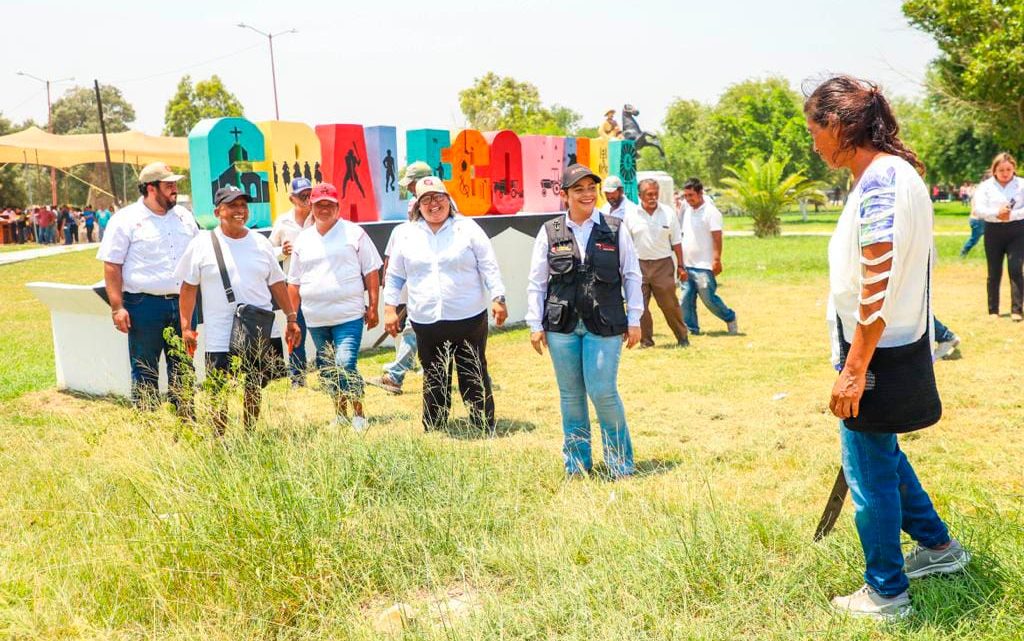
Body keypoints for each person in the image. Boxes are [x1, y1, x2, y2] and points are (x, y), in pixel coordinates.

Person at [806, 75, 970, 619]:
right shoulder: (890, 176)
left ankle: (886, 592)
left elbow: (877, 285)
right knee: (881, 453)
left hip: (875, 354)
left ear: (838, 125)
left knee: (868, 472)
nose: (814, 144)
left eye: (815, 131)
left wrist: (853, 370)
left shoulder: (879, 182)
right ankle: (939, 548)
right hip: (895, 346)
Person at [526, 164, 643, 478]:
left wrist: (635, 318)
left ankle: (620, 464)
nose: (587, 194)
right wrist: (534, 324)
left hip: (604, 323)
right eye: (579, 189)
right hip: (561, 325)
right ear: (564, 195)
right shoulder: (550, 231)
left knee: (603, 391)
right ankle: (577, 465)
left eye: (592, 188)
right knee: (570, 396)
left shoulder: (615, 228)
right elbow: (537, 281)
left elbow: (631, 275)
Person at [383, 176, 507, 432]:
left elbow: (489, 266)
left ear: (449, 200)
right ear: (418, 206)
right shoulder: (406, 234)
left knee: (472, 371)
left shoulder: (468, 228)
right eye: (426, 200)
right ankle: (435, 426)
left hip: (468, 317)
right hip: (426, 320)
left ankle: (483, 424)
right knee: (434, 374)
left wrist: (498, 297)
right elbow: (394, 275)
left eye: (438, 197)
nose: (433, 204)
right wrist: (389, 309)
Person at [176, 186, 301, 435]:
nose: (239, 211)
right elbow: (188, 288)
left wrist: (291, 318)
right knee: (218, 388)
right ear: (217, 211)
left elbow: (277, 282)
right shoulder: (201, 244)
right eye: (232, 205)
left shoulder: (260, 242)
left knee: (254, 385)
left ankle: (249, 436)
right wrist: (186, 327)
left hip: (258, 328)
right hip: (220, 333)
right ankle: (220, 439)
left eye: (243, 205)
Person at [96, 162, 198, 417]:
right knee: (145, 367)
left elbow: (198, 255)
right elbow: (112, 265)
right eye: (169, 185)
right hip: (143, 305)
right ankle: (148, 421)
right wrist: (117, 307)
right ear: (151, 188)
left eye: (175, 184)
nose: (175, 189)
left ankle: (185, 420)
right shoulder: (126, 219)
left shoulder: (185, 216)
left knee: (183, 364)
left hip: (184, 304)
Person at [287, 182, 382, 431]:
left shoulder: (354, 233)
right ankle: (340, 414)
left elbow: (371, 271)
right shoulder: (303, 240)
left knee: (345, 363)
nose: (324, 209)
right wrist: (291, 319)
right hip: (316, 318)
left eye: (330, 204)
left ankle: (359, 414)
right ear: (311, 206)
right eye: (320, 205)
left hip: (348, 315)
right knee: (329, 367)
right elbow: (293, 283)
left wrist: (373, 307)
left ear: (338, 207)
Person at [373, 160, 433, 394]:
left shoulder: (435, 204)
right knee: (414, 329)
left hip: (432, 284)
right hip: (420, 283)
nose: (408, 188)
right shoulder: (417, 209)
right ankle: (396, 374)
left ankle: (395, 375)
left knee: (414, 329)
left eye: (411, 183)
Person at [624, 178, 689, 347]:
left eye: (655, 194)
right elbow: (626, 245)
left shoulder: (668, 213)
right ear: (640, 195)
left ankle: (682, 337)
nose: (653, 197)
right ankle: (646, 341)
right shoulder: (631, 216)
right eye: (649, 194)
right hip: (639, 266)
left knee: (669, 305)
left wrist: (681, 266)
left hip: (663, 265)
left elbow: (676, 242)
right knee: (640, 307)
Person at [269, 176, 314, 387]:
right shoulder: (283, 222)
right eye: (302, 195)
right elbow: (269, 252)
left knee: (324, 330)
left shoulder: (320, 216)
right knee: (296, 329)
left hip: (318, 284)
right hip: (294, 286)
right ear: (292, 198)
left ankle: (329, 371)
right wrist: (282, 252)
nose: (307, 198)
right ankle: (297, 377)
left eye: (309, 193)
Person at [678, 178, 739, 335]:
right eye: (686, 195)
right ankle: (691, 329)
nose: (688, 199)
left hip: (704, 265)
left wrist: (717, 260)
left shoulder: (711, 212)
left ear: (700, 193)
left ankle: (730, 317)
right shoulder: (686, 211)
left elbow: (717, 237)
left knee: (708, 298)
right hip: (687, 264)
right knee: (685, 299)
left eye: (691, 195)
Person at [974, 153, 1024, 320]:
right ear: (994, 170)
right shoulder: (985, 187)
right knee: (994, 271)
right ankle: (993, 310)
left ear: (1014, 169)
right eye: (1001, 169)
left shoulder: (1021, 185)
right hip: (993, 231)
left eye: (1008, 169)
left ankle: (1017, 309)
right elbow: (978, 210)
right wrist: (997, 213)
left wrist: (1011, 215)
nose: (1005, 173)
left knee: (1015, 269)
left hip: (1017, 231)